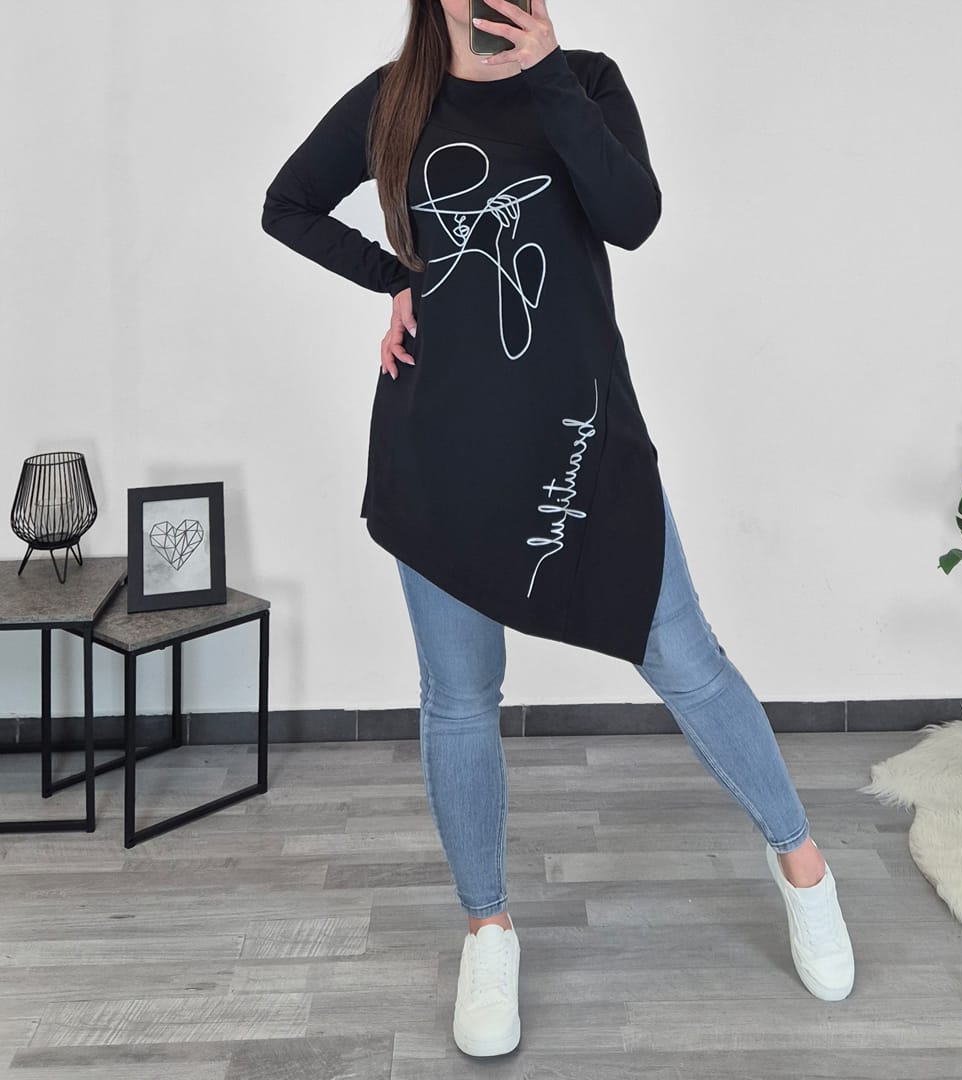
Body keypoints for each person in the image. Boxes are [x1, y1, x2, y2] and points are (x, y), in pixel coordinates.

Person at [262, 0, 855, 1058]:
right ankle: (487, 930)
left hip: (583, 433)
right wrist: (395, 280)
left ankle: (803, 865)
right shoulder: (393, 102)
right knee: (458, 695)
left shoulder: (586, 79)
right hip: (441, 446)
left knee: (685, 655)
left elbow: (633, 216)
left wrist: (544, 76)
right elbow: (287, 205)